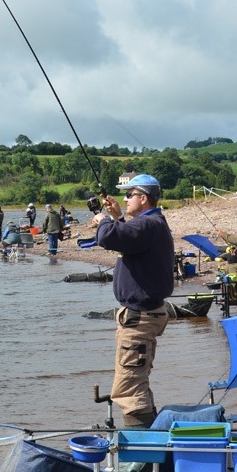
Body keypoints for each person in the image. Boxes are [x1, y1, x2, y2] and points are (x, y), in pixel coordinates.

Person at [91, 174, 174, 429]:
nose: (125, 199)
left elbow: (108, 238)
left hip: (140, 318)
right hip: (144, 315)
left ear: (143, 198)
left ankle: (142, 459)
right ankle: (149, 443)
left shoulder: (148, 225)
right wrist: (117, 217)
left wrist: (104, 220)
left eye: (129, 195)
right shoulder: (150, 225)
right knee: (136, 381)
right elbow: (128, 235)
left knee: (129, 387)